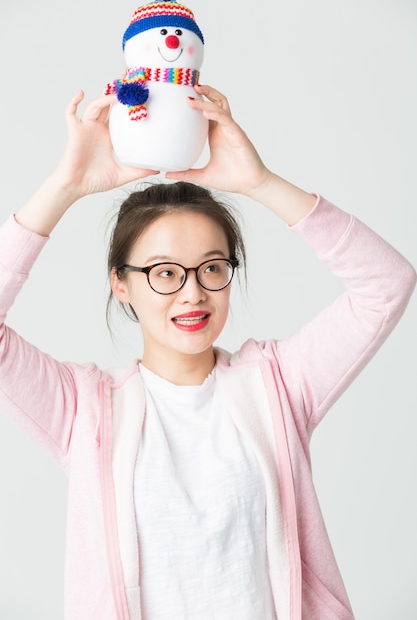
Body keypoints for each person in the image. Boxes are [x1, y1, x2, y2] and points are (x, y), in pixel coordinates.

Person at [0, 84, 415, 620]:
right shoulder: (84, 408)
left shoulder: (279, 384)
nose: (193, 292)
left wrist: (259, 183)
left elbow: (387, 284)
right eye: (164, 272)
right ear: (121, 284)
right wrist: (65, 186)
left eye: (212, 267)